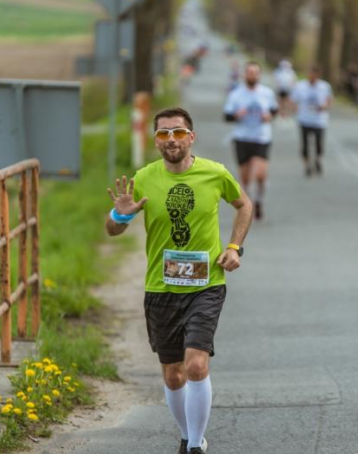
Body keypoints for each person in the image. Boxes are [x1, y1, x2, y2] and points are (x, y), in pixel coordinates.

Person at [105, 107, 253, 454]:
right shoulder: (144, 178)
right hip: (161, 287)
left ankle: (197, 446)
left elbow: (243, 204)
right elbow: (112, 231)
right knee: (173, 374)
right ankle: (187, 435)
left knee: (196, 364)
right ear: (156, 141)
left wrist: (234, 247)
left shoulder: (214, 174)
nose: (171, 139)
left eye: (177, 132)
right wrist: (118, 215)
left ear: (191, 137)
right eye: (163, 134)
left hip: (206, 284)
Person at [223, 61, 278, 220]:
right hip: (242, 138)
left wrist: (269, 116)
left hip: (262, 137)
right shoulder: (236, 94)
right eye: (249, 72)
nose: (252, 75)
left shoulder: (267, 93)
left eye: (255, 73)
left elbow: (274, 110)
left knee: (260, 173)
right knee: (245, 178)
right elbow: (226, 116)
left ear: (259, 75)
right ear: (244, 74)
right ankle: (247, 205)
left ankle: (259, 200)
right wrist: (236, 115)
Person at [291, 64, 333, 177]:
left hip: (319, 120)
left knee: (319, 144)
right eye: (310, 75)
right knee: (305, 145)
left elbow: (329, 99)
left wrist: (325, 106)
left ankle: (318, 159)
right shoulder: (300, 86)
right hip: (304, 119)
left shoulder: (325, 86)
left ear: (318, 76)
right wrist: (296, 109)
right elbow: (293, 100)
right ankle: (307, 165)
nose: (312, 77)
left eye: (314, 75)